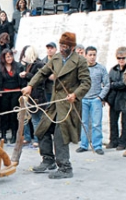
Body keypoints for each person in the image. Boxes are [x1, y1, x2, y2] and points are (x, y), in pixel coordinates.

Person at [22, 32, 91, 179]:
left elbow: (86, 83)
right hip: (54, 103)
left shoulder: (80, 61)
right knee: (42, 129)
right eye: (61, 45)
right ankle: (48, 160)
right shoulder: (56, 58)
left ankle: (65, 167)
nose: (62, 48)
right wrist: (30, 86)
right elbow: (42, 73)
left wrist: (75, 94)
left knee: (61, 135)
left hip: (68, 105)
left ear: (72, 47)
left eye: (65, 46)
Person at [75, 46, 109, 155]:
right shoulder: (81, 68)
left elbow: (107, 84)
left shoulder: (101, 68)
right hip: (84, 100)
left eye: (94, 55)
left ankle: (97, 145)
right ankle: (84, 145)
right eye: (90, 55)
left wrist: (100, 97)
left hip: (96, 100)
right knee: (84, 123)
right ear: (85, 55)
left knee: (96, 124)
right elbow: (76, 83)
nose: (92, 57)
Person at [18, 46, 44, 146]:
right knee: (29, 117)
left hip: (37, 94)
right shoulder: (30, 65)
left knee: (36, 118)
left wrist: (27, 75)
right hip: (30, 95)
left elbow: (39, 78)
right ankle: (29, 137)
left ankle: (37, 139)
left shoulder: (39, 64)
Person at [106, 47, 126, 150]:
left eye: (123, 58)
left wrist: (113, 85)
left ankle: (123, 142)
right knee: (113, 121)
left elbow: (125, 83)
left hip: (125, 98)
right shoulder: (114, 69)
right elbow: (107, 83)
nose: (121, 60)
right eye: (119, 58)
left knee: (125, 122)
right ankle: (113, 141)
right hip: (114, 99)